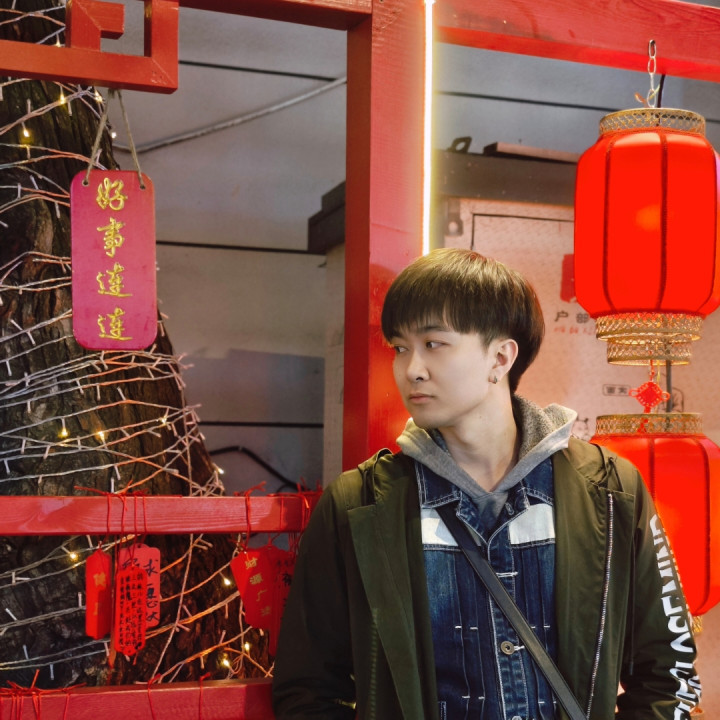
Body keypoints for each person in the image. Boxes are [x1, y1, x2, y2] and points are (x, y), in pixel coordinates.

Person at [272, 247, 701, 719]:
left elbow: (670, 674)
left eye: (434, 343)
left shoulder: (610, 490)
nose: (412, 369)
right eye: (400, 347)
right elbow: (307, 691)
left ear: (500, 357)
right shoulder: (359, 504)